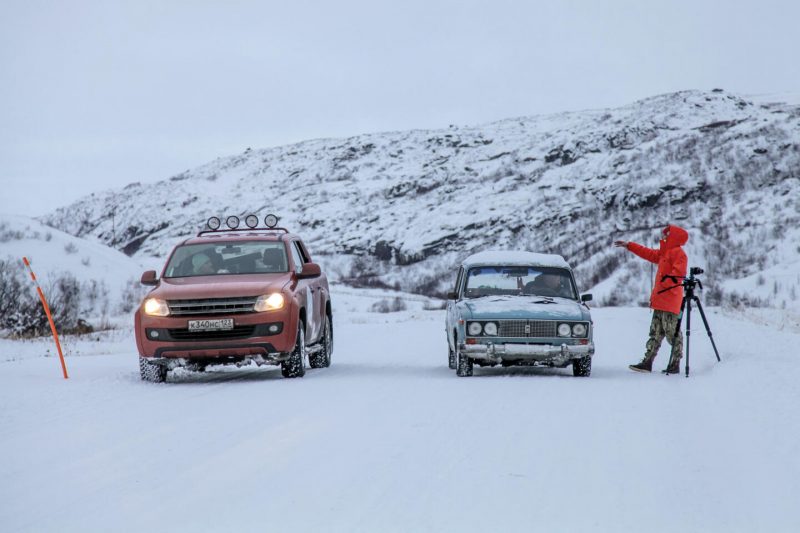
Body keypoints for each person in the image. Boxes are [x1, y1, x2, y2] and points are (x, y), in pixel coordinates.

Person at [614, 224, 689, 374]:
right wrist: (630, 245)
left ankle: (675, 364)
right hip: (660, 301)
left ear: (674, 237)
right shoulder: (664, 253)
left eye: (667, 234)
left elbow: (678, 275)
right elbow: (647, 253)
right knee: (655, 333)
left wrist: (664, 285)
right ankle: (647, 362)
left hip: (670, 302)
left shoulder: (679, 254)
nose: (664, 236)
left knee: (672, 333)